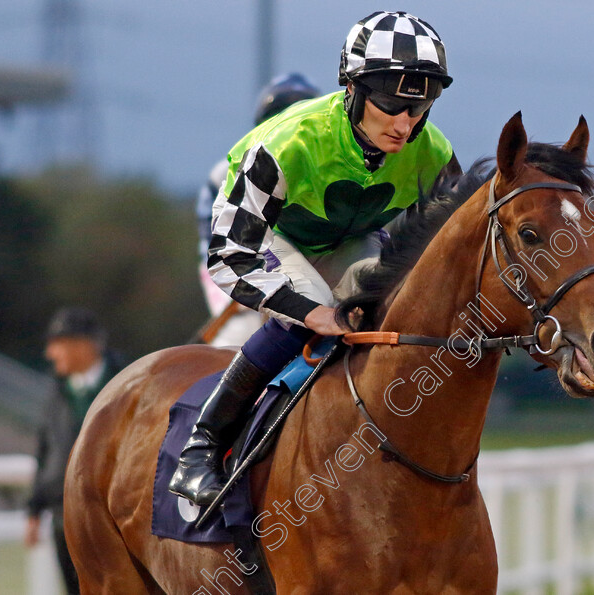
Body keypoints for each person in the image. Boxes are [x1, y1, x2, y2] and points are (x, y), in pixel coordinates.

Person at [170, 10, 461, 506]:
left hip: (347, 240)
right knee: (312, 316)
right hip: (266, 239)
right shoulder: (288, 143)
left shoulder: (434, 153)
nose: (404, 125)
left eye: (419, 108)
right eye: (391, 105)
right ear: (352, 88)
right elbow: (227, 252)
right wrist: (311, 311)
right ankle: (201, 447)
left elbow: (440, 248)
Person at [197, 73, 321, 346]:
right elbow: (212, 247)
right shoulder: (223, 174)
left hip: (314, 277)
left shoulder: (324, 171)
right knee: (234, 342)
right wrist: (243, 294)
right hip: (243, 278)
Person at [25, 307, 124, 594]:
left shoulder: (126, 382)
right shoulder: (56, 393)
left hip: (112, 513)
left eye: (57, 344)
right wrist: (34, 509)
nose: (50, 354)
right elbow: (45, 451)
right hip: (64, 514)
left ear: (82, 344)